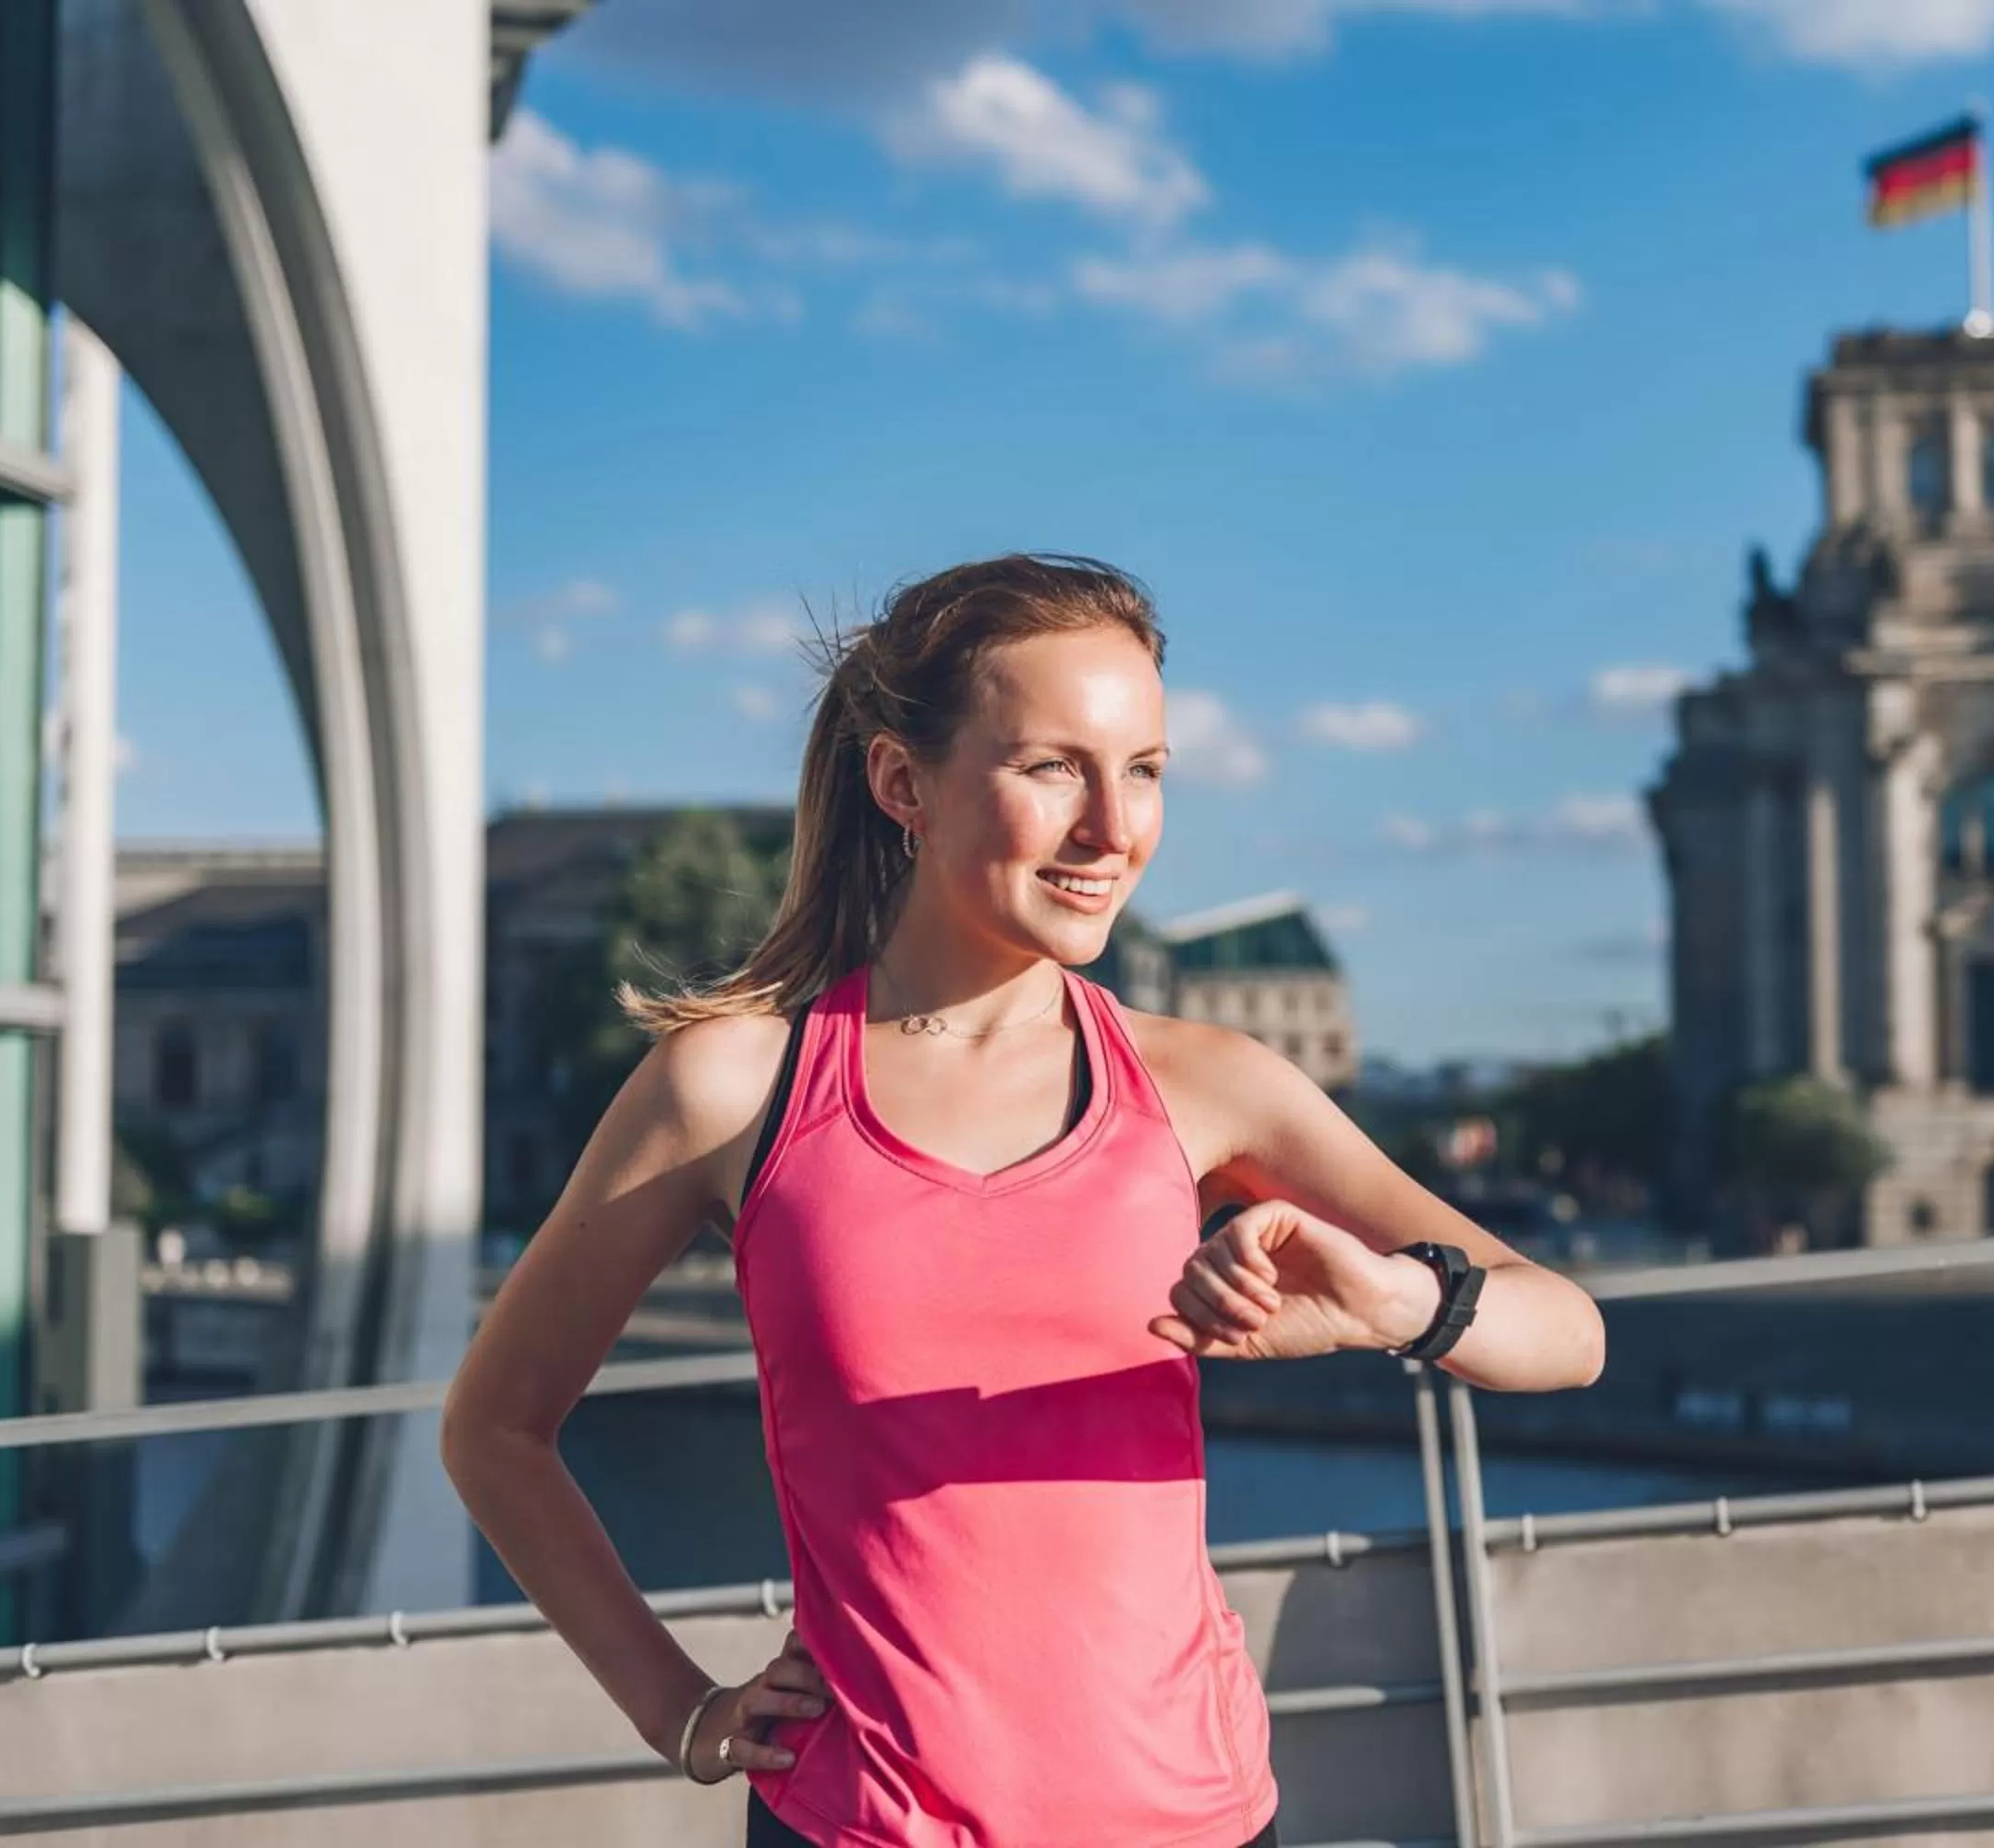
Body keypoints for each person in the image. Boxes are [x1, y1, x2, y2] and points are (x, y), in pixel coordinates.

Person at [441, 554, 1609, 1848]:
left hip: (1198, 1825)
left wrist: (1399, 1300)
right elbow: (496, 1429)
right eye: (1054, 767)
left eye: (1147, 769)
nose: (1115, 828)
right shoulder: (735, 1086)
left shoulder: (1207, 1084)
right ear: (903, 784)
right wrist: (683, 1712)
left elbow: (1568, 1331)